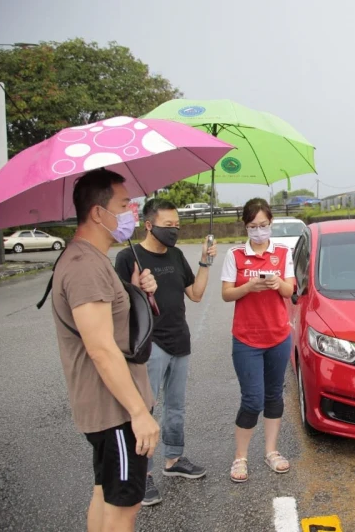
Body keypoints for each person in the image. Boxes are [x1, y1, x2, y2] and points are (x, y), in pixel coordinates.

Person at [51, 168, 159, 531]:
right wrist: (139, 412)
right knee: (123, 508)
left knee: (104, 494)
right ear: (98, 213)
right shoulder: (84, 266)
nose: (132, 212)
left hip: (109, 409)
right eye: (124, 204)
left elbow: (106, 321)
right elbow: (101, 349)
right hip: (116, 412)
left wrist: (133, 290)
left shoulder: (90, 259)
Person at [114, 199, 216, 506]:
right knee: (145, 409)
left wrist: (205, 262)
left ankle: (174, 459)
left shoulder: (175, 254)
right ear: (148, 225)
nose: (174, 231)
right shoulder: (128, 257)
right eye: (167, 225)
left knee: (176, 407)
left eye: (177, 226)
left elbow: (196, 295)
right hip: (150, 343)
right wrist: (139, 288)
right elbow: (117, 306)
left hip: (179, 340)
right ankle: (141, 475)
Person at [221, 198, 295, 483]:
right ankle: (240, 457)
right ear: (245, 226)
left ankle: (271, 451)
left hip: (278, 335)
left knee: (274, 396)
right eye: (253, 226)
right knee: (252, 399)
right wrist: (249, 286)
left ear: (271, 224)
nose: (259, 231)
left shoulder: (282, 252)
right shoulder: (236, 255)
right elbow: (226, 294)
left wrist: (278, 284)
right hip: (246, 339)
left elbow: (289, 291)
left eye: (263, 225)